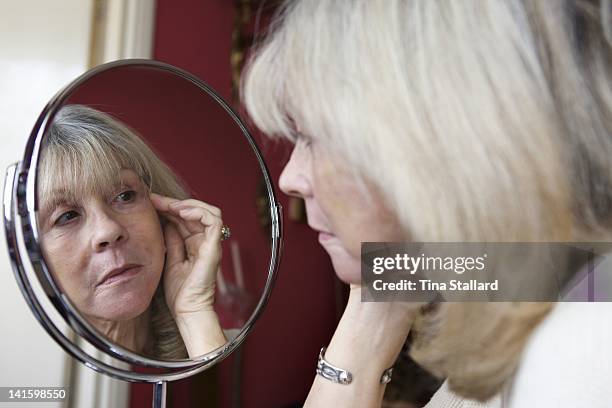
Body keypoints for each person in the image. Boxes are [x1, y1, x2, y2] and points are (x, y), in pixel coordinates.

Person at [242, 0, 612, 406]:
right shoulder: (545, 280)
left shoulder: (577, 349)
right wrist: (383, 289)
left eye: (312, 137)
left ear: (428, 135)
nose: (290, 179)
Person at [37, 104, 227, 359]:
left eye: (124, 196)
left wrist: (193, 312)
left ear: (161, 215)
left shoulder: (219, 342)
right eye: (67, 216)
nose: (108, 230)